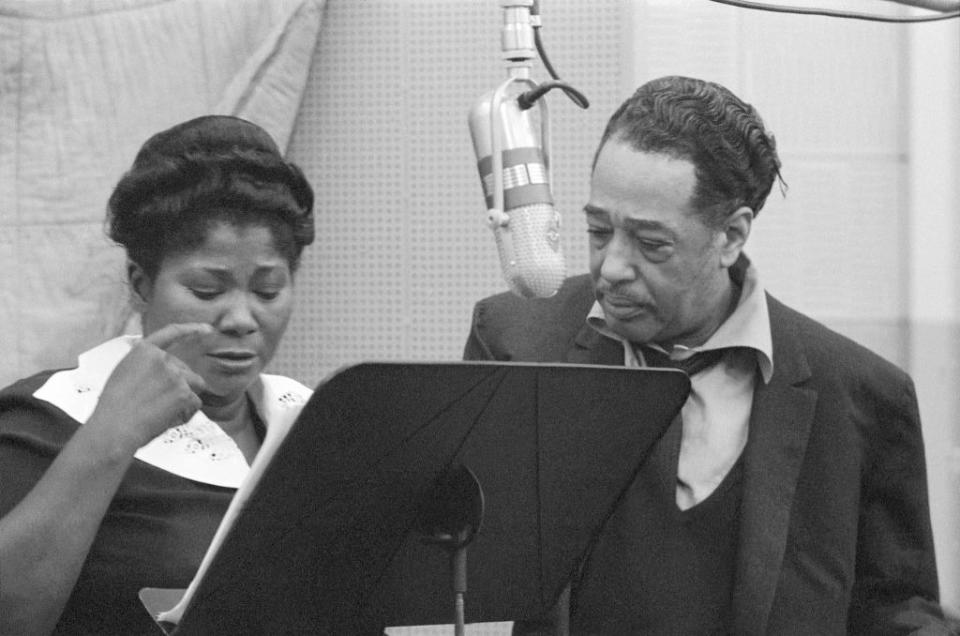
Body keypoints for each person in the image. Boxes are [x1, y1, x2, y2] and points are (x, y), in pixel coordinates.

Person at [463, 76, 949, 634]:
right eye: (598, 230)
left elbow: (897, 616)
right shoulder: (516, 343)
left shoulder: (863, 397)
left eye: (651, 244)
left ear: (731, 235)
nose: (613, 267)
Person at [0, 115, 316, 635]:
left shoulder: (314, 424)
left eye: (267, 291)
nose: (240, 319)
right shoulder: (47, 419)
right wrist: (109, 436)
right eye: (207, 291)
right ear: (140, 284)